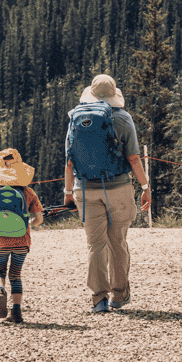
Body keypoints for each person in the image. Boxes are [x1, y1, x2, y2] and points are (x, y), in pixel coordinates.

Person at [62, 74, 151, 314]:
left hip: (85, 189)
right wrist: (145, 187)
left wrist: (68, 192)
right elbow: (133, 157)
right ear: (114, 95)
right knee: (118, 242)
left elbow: (69, 161)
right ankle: (119, 296)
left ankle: (98, 300)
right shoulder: (122, 118)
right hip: (118, 188)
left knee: (95, 245)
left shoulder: (76, 119)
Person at [0, 148, 44, 325]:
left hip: (0, 241)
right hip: (21, 240)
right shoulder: (28, 192)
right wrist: (31, 223)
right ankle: (16, 312)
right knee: (16, 275)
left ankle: (0, 289)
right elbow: (39, 219)